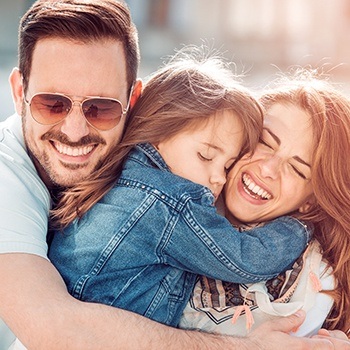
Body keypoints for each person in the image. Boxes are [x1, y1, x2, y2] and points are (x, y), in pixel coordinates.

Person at [0, 0, 348, 348]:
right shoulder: (168, 202)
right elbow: (54, 328)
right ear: (19, 94)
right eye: (52, 104)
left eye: (100, 108)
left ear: (133, 101)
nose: (75, 130)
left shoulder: (126, 164)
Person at [48, 49, 315, 330]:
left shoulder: (117, 174)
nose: (219, 179)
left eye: (227, 166)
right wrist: (299, 227)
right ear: (157, 133)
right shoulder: (168, 205)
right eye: (206, 157)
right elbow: (246, 258)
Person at [180, 69, 350, 337]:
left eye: (297, 169)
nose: (269, 169)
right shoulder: (172, 182)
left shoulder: (311, 285)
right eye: (265, 142)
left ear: (310, 202)